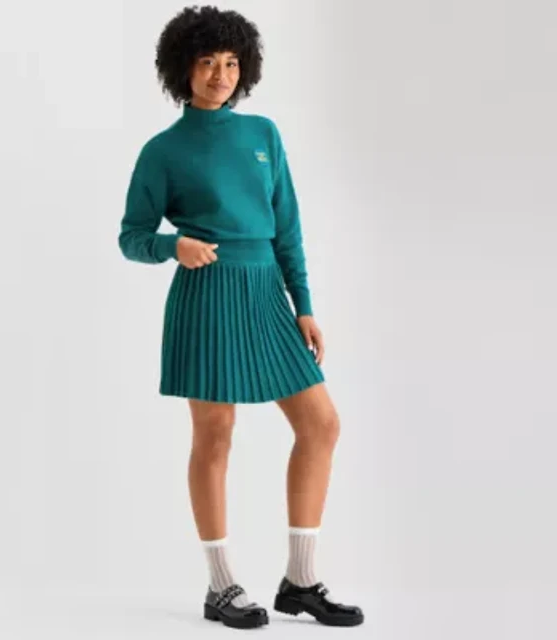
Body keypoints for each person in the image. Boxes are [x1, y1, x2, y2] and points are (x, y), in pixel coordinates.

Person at [118, 5, 364, 630]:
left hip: (267, 295)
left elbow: (288, 228)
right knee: (215, 437)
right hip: (206, 295)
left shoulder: (263, 135)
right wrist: (172, 246)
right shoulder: (163, 151)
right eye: (207, 62)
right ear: (183, 69)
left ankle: (300, 580)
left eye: (231, 63)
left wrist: (303, 305)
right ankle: (221, 585)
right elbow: (131, 236)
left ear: (244, 69)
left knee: (321, 424)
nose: (220, 75)